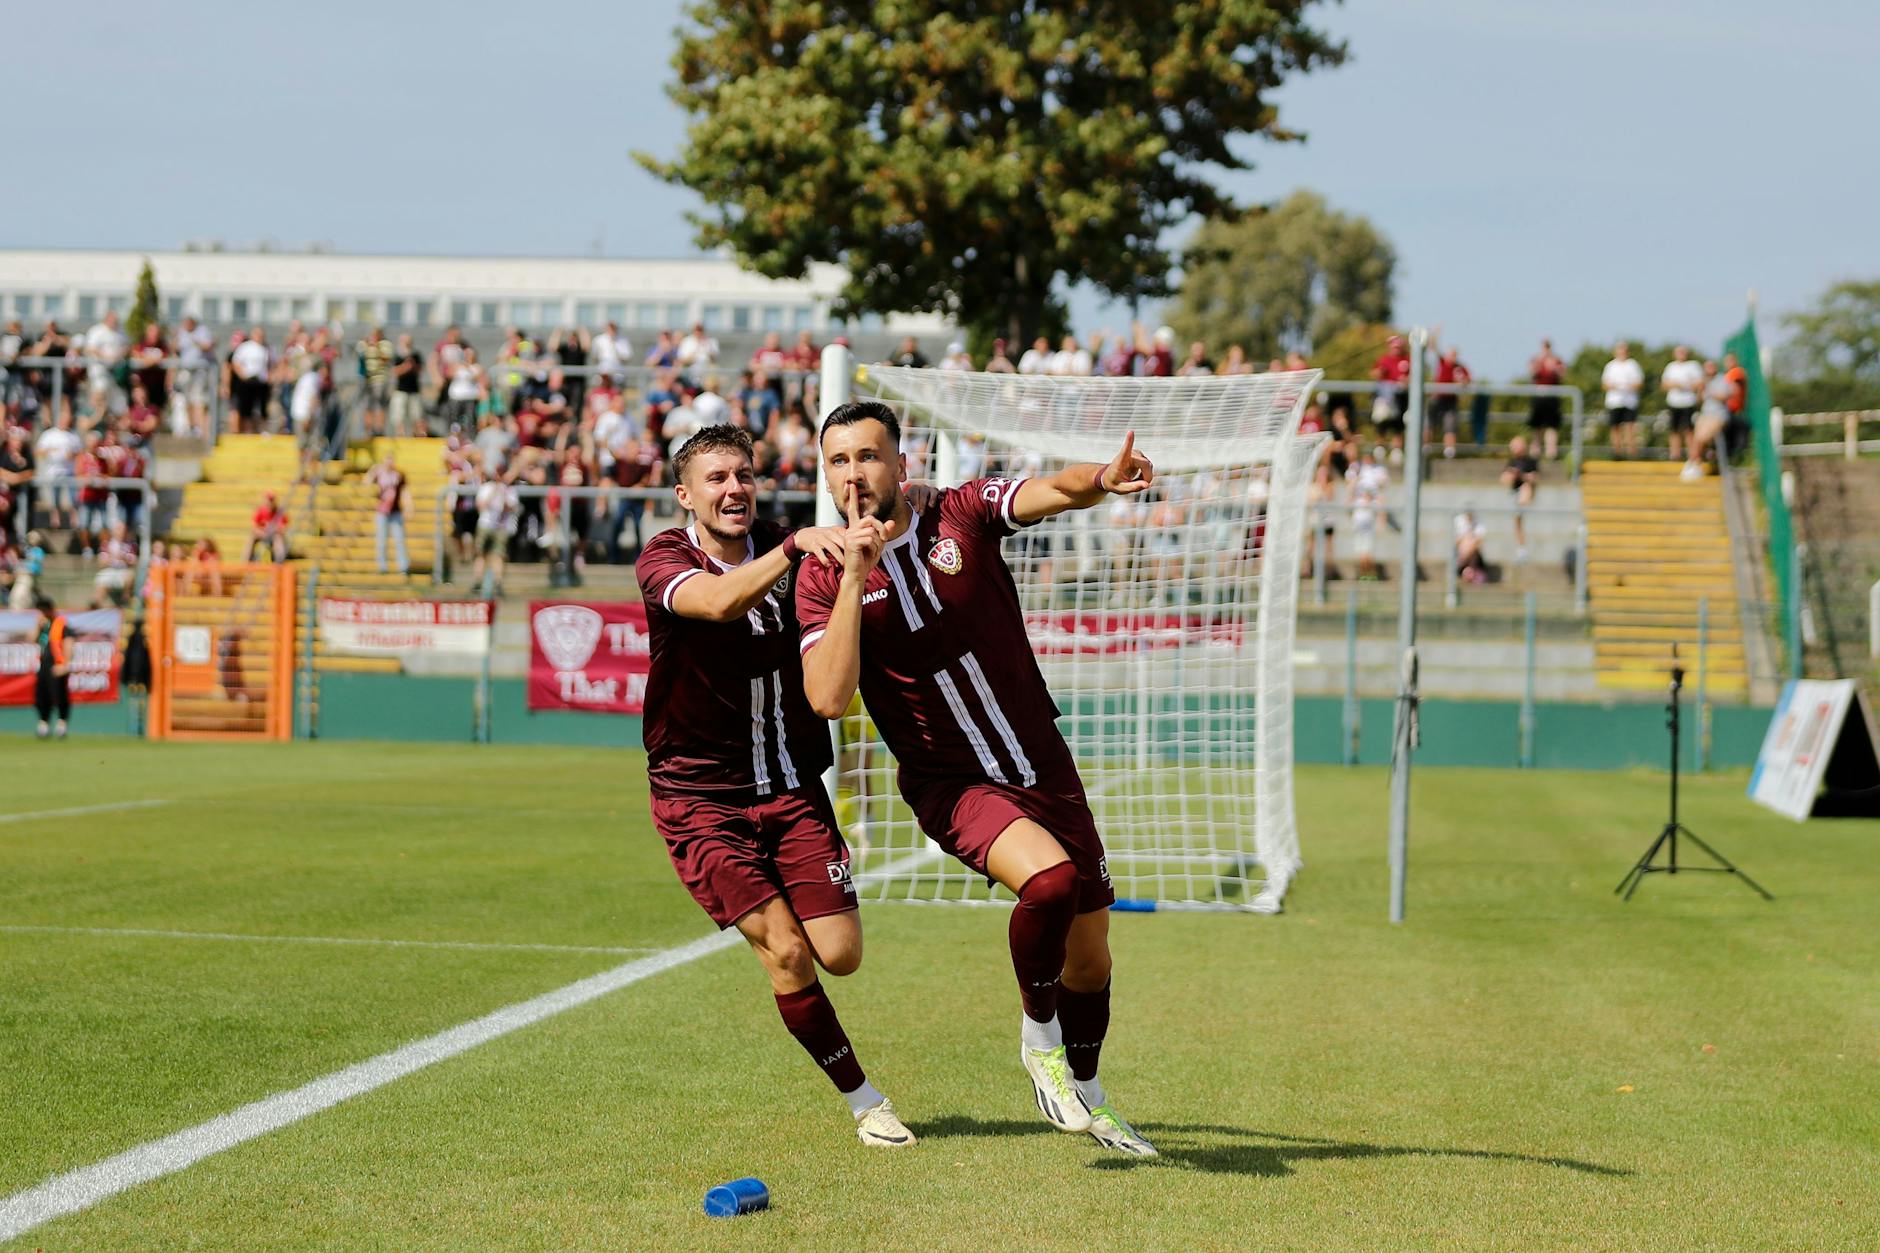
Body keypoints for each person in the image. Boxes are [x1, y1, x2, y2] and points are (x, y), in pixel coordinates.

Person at [798, 400, 1160, 1157]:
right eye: (839, 460)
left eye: (869, 455)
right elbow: (828, 697)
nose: (855, 473)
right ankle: (1039, 1042)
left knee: (1091, 958)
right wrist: (852, 576)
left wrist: (1101, 476)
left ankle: (1087, 1092)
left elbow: (1048, 491)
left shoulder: (958, 513)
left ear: (903, 463)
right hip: (952, 782)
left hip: (1041, 763)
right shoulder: (821, 575)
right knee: (1051, 884)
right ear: (825, 475)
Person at [634, 424, 917, 1149]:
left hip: (791, 785)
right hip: (700, 797)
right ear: (685, 494)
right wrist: (794, 550)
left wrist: (858, 558)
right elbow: (718, 603)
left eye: (743, 475)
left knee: (842, 951)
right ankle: (866, 1100)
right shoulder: (666, 556)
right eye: (716, 478)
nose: (733, 489)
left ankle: (784, 912)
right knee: (788, 953)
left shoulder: (800, 549)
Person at [1683, 361, 1733, 481]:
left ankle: (1694, 462)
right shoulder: (1704, 382)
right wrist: (1700, 390)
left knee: (1702, 437)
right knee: (1696, 438)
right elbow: (1699, 401)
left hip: (1718, 415)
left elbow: (1724, 397)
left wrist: (1709, 389)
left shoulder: (1722, 380)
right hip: (1705, 414)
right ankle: (1694, 462)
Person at [32, 595, 71, 739]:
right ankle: (44, 723)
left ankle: (62, 725)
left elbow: (68, 643)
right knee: (41, 696)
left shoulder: (61, 624)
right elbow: (33, 640)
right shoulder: (43, 625)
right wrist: (37, 627)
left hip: (57, 666)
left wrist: (66, 664)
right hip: (43, 666)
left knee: (59, 695)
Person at [367, 452, 410, 576]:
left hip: (396, 511)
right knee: (381, 539)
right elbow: (367, 482)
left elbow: (405, 491)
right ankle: (382, 565)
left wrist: (408, 506)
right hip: (382, 511)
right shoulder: (379, 473)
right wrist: (373, 470)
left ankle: (403, 565)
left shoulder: (398, 475)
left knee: (399, 539)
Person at [1660, 345, 1704, 464]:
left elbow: (1700, 383)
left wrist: (1685, 385)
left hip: (1688, 402)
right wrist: (1674, 385)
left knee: (1689, 430)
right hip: (1674, 403)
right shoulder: (1671, 367)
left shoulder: (1693, 366)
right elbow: (1663, 384)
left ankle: (1692, 456)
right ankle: (1675, 455)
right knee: (1674, 430)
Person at [1370, 335, 1411, 460]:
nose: (1396, 349)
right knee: (1381, 419)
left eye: (1398, 347)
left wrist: (1406, 381)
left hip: (1401, 397)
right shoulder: (1384, 360)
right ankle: (1380, 446)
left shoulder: (1407, 360)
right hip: (1385, 397)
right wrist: (1380, 373)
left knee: (1398, 423)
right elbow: (1373, 373)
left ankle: (1397, 449)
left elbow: (1414, 376)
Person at [1602, 341, 1644, 460]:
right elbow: (1605, 384)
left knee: (1630, 427)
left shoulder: (1633, 365)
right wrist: (1616, 386)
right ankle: (1617, 452)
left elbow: (1639, 383)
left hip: (1630, 401)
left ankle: (1632, 452)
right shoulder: (1610, 366)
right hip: (1614, 401)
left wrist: (1627, 386)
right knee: (1615, 427)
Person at [1499, 436, 1540, 558]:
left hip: (1526, 491)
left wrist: (1520, 475)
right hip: (1514, 492)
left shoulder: (1531, 461)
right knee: (1508, 476)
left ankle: (1521, 506)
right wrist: (1511, 475)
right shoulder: (1511, 462)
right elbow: (1503, 479)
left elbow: (1534, 479)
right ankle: (1521, 548)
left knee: (1525, 487)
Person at [1527, 338, 1566, 460]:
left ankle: (1551, 452)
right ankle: (1535, 451)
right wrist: (1540, 364)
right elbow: (1531, 372)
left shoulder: (1557, 360)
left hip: (1552, 398)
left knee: (1552, 426)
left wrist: (1554, 368)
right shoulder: (1536, 359)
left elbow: (1563, 374)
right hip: (1539, 397)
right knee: (1536, 426)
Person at [1431, 343, 1471, 459]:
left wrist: (1463, 382)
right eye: (1450, 354)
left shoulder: (1459, 368)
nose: (1452, 357)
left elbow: (1467, 380)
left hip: (1451, 401)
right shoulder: (1442, 362)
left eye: (1454, 355)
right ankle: (1425, 447)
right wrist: (1434, 334)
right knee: (1429, 423)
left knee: (1450, 425)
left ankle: (1449, 450)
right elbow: (1433, 347)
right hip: (1438, 399)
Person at [356, 328, 395, 436]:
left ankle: (379, 430)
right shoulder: (364, 344)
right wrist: (366, 345)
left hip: (379, 379)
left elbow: (386, 359)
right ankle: (368, 430)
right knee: (367, 405)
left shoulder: (385, 344)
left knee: (379, 404)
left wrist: (376, 346)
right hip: (366, 379)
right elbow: (359, 355)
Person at [389, 333, 426, 437]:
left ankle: (416, 435)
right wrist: (405, 367)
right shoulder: (397, 355)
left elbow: (421, 369)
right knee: (399, 415)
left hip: (414, 390)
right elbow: (394, 371)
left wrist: (413, 366)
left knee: (416, 415)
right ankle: (400, 434)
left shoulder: (416, 355)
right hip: (400, 389)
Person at [249, 491, 290, 563]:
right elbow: (253, 527)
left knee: (278, 540)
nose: (270, 503)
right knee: (251, 538)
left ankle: (279, 562)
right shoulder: (260, 511)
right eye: (268, 500)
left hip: (274, 535)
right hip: (262, 534)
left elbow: (284, 528)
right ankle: (247, 563)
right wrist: (263, 533)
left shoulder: (279, 512)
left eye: (271, 500)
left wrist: (275, 531)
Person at [1454, 510, 1489, 584]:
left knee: (1470, 543)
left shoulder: (1479, 524)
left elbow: (1478, 542)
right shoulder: (1459, 522)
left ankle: (1469, 569)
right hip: (1463, 554)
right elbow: (1457, 541)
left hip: (1468, 555)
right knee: (1468, 542)